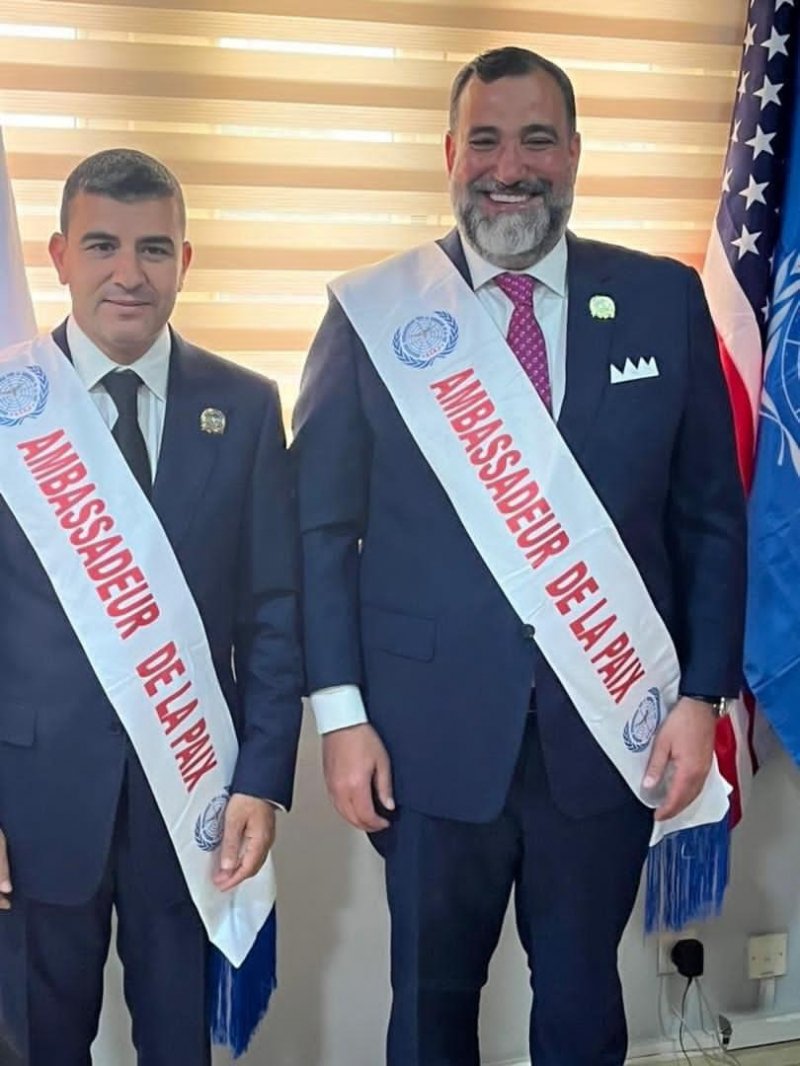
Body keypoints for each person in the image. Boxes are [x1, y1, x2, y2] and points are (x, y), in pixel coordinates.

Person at [292, 46, 746, 1065]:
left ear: (574, 153)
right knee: (428, 1005)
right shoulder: (375, 315)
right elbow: (319, 532)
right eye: (486, 141)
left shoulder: (662, 299)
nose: (510, 167)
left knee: (581, 1003)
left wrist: (700, 697)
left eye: (536, 140)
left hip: (610, 727)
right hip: (425, 735)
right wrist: (342, 716)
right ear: (449, 154)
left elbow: (709, 520)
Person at [0, 149, 303, 1065]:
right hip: (32, 799)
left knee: (179, 1045)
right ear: (59, 256)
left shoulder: (246, 406)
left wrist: (261, 779)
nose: (129, 273)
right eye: (102, 246)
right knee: (38, 1045)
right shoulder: (10, 409)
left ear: (185, 260)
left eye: (154, 248)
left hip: (193, 790)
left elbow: (274, 613)